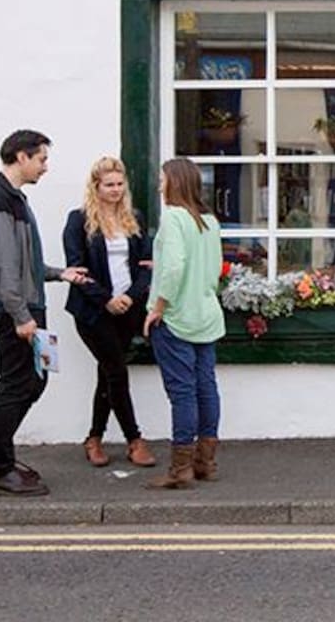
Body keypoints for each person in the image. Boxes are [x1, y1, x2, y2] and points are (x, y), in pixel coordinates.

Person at [0, 130, 90, 496]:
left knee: (33, 381)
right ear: (21, 157)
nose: (45, 167)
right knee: (14, 385)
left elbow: (23, 262)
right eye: (41, 159)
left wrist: (59, 274)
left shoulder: (15, 199)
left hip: (24, 304)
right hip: (14, 309)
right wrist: (22, 317)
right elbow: (6, 269)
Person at [62, 156, 157, 469]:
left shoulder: (135, 218)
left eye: (120, 184)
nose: (116, 190)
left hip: (128, 310)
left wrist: (130, 297)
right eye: (109, 185)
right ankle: (135, 440)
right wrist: (106, 299)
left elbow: (145, 266)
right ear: (96, 187)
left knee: (108, 374)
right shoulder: (79, 221)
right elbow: (77, 270)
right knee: (116, 370)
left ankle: (94, 438)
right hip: (92, 312)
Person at [143, 157, 225, 490]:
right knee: (206, 388)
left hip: (176, 318)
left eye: (162, 179)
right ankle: (205, 463)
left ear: (174, 182)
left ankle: (180, 470)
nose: (159, 185)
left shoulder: (173, 218)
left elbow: (175, 266)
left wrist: (158, 306)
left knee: (182, 393)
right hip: (206, 315)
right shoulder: (209, 220)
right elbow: (213, 267)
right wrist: (159, 263)